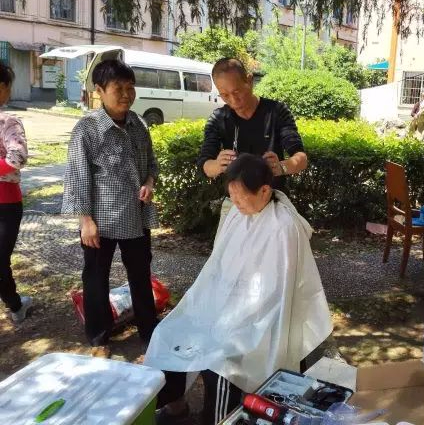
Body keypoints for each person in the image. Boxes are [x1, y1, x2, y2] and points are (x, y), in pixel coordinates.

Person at [145, 154, 333, 425]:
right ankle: (175, 406)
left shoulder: (283, 228)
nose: (235, 203)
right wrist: (212, 307)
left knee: (220, 362)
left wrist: (231, 319)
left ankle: (218, 420)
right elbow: (219, 267)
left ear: (265, 190)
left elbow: (276, 294)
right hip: (228, 306)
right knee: (167, 333)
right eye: (231, 196)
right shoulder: (237, 213)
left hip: (260, 320)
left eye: (241, 197)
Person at [62, 59, 159, 358]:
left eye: (131, 88)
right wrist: (85, 220)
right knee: (95, 279)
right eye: (118, 88)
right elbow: (77, 176)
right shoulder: (87, 129)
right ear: (100, 90)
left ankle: (150, 335)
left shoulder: (139, 125)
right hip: (99, 221)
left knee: (140, 276)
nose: (126, 95)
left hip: (136, 217)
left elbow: (152, 164)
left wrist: (149, 182)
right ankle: (99, 339)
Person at [197, 58, 308, 232]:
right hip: (236, 205)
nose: (233, 100)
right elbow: (204, 165)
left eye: (237, 91)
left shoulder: (276, 112)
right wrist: (217, 165)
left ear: (249, 81)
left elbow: (301, 158)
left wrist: (282, 167)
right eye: (224, 95)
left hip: (272, 204)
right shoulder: (219, 119)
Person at [0, 62, 32, 324]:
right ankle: (15, 302)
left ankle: (15, 304)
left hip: (6, 204)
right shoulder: (7, 120)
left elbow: (17, 157)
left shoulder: (7, 122)